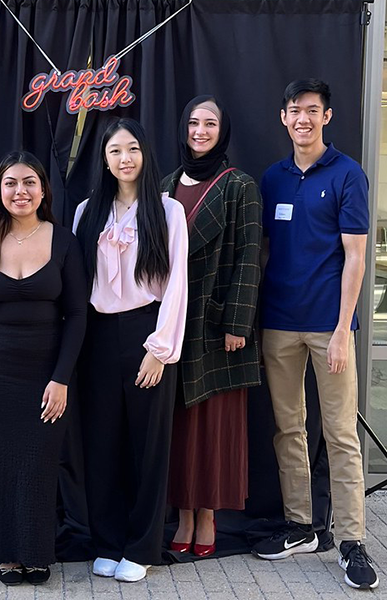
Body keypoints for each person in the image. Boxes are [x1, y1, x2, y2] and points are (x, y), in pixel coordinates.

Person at [251, 79, 377, 589]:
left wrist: (345, 328)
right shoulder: (272, 177)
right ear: (283, 117)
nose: (303, 118)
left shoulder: (348, 174)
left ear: (327, 116)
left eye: (312, 110)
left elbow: (355, 256)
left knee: (341, 434)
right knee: (288, 428)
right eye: (294, 110)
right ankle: (301, 526)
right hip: (279, 321)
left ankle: (350, 541)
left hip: (329, 326)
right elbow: (260, 253)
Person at [0, 151, 87, 585]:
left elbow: (78, 315)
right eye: (11, 183)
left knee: (38, 461)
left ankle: (35, 551)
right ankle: (5, 553)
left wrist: (62, 377)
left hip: (47, 370)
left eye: (29, 182)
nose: (20, 191)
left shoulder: (64, 241)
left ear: (43, 189)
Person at [73, 118, 187, 583]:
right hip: (97, 336)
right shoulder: (86, 212)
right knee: (102, 445)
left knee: (148, 446)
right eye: (116, 150)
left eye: (133, 149)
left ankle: (143, 546)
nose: (125, 158)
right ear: (104, 158)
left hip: (147, 331)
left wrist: (159, 349)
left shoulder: (167, 211)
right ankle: (107, 540)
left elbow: (178, 282)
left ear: (145, 155)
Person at [161, 96, 263, 558]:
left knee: (213, 428)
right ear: (183, 127)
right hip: (174, 323)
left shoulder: (240, 185)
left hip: (219, 323)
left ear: (223, 130)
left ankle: (208, 517)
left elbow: (249, 256)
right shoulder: (163, 185)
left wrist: (237, 322)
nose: (200, 130)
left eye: (210, 123)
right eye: (194, 122)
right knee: (179, 426)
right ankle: (182, 512)